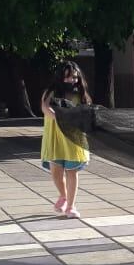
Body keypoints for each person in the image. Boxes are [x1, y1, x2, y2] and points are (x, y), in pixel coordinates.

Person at [40, 61, 91, 218]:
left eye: (75, 77)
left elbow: (86, 111)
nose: (72, 80)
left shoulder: (80, 94)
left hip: (73, 139)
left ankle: (71, 206)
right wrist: (58, 117)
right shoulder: (52, 91)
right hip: (55, 137)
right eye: (68, 77)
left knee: (71, 171)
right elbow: (44, 107)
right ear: (61, 77)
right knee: (56, 173)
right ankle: (63, 196)